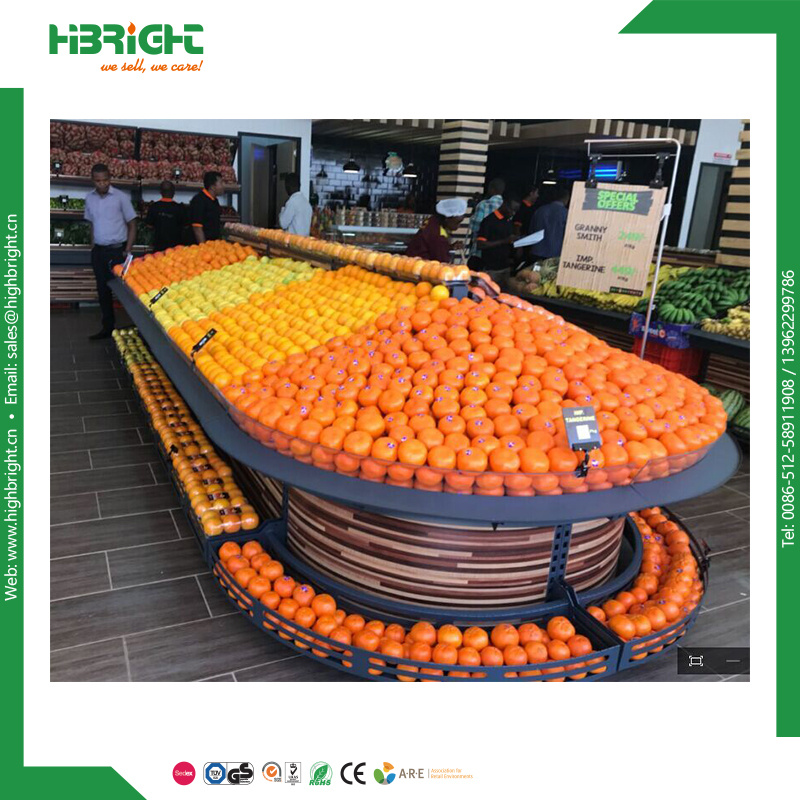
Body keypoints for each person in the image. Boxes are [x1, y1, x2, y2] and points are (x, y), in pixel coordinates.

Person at [83, 163, 137, 339]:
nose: (102, 184)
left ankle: (136, 326)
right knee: (103, 290)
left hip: (117, 252)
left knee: (126, 290)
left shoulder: (121, 197)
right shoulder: (89, 198)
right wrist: (93, 246)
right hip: (99, 252)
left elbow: (132, 224)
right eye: (98, 181)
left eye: (105, 180)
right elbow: (91, 223)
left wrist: (127, 250)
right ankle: (108, 327)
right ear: (93, 180)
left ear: (110, 178)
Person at [405, 197, 467, 263]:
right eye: (457, 222)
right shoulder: (437, 234)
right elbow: (442, 262)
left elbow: (432, 247)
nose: (459, 226)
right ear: (447, 219)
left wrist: (449, 247)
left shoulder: (433, 221)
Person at [475, 194, 521, 278]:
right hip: (491, 269)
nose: (513, 213)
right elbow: (480, 244)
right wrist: (504, 241)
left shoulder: (508, 222)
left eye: (515, 211)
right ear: (504, 204)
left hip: (505, 268)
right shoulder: (489, 221)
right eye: (512, 209)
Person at [529, 183, 570, 260]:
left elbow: (532, 230)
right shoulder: (566, 214)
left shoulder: (540, 210)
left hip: (537, 251)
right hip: (555, 254)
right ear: (566, 198)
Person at [467, 178, 505, 257]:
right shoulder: (506, 206)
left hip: (480, 249)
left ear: (491, 189)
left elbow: (475, 227)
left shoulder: (484, 204)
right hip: (497, 249)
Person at [145, 180, 186, 252]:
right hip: (176, 248)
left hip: (158, 246)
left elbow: (149, 226)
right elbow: (185, 227)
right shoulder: (180, 208)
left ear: (160, 192)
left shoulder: (154, 207)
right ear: (173, 192)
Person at [189, 171, 224, 244]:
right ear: (212, 187)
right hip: (202, 248)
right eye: (220, 183)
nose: (223, 186)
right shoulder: (199, 201)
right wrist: (204, 247)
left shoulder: (214, 201)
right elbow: (197, 227)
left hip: (213, 245)